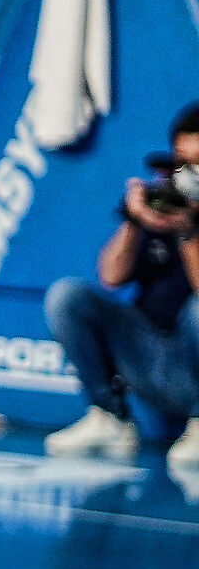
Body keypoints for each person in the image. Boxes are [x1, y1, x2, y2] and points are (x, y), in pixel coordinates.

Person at [44, 104, 199, 466]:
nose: (190, 174)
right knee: (67, 297)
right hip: (149, 356)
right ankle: (109, 418)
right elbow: (111, 277)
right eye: (182, 162)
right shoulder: (165, 202)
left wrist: (189, 231)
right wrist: (133, 221)